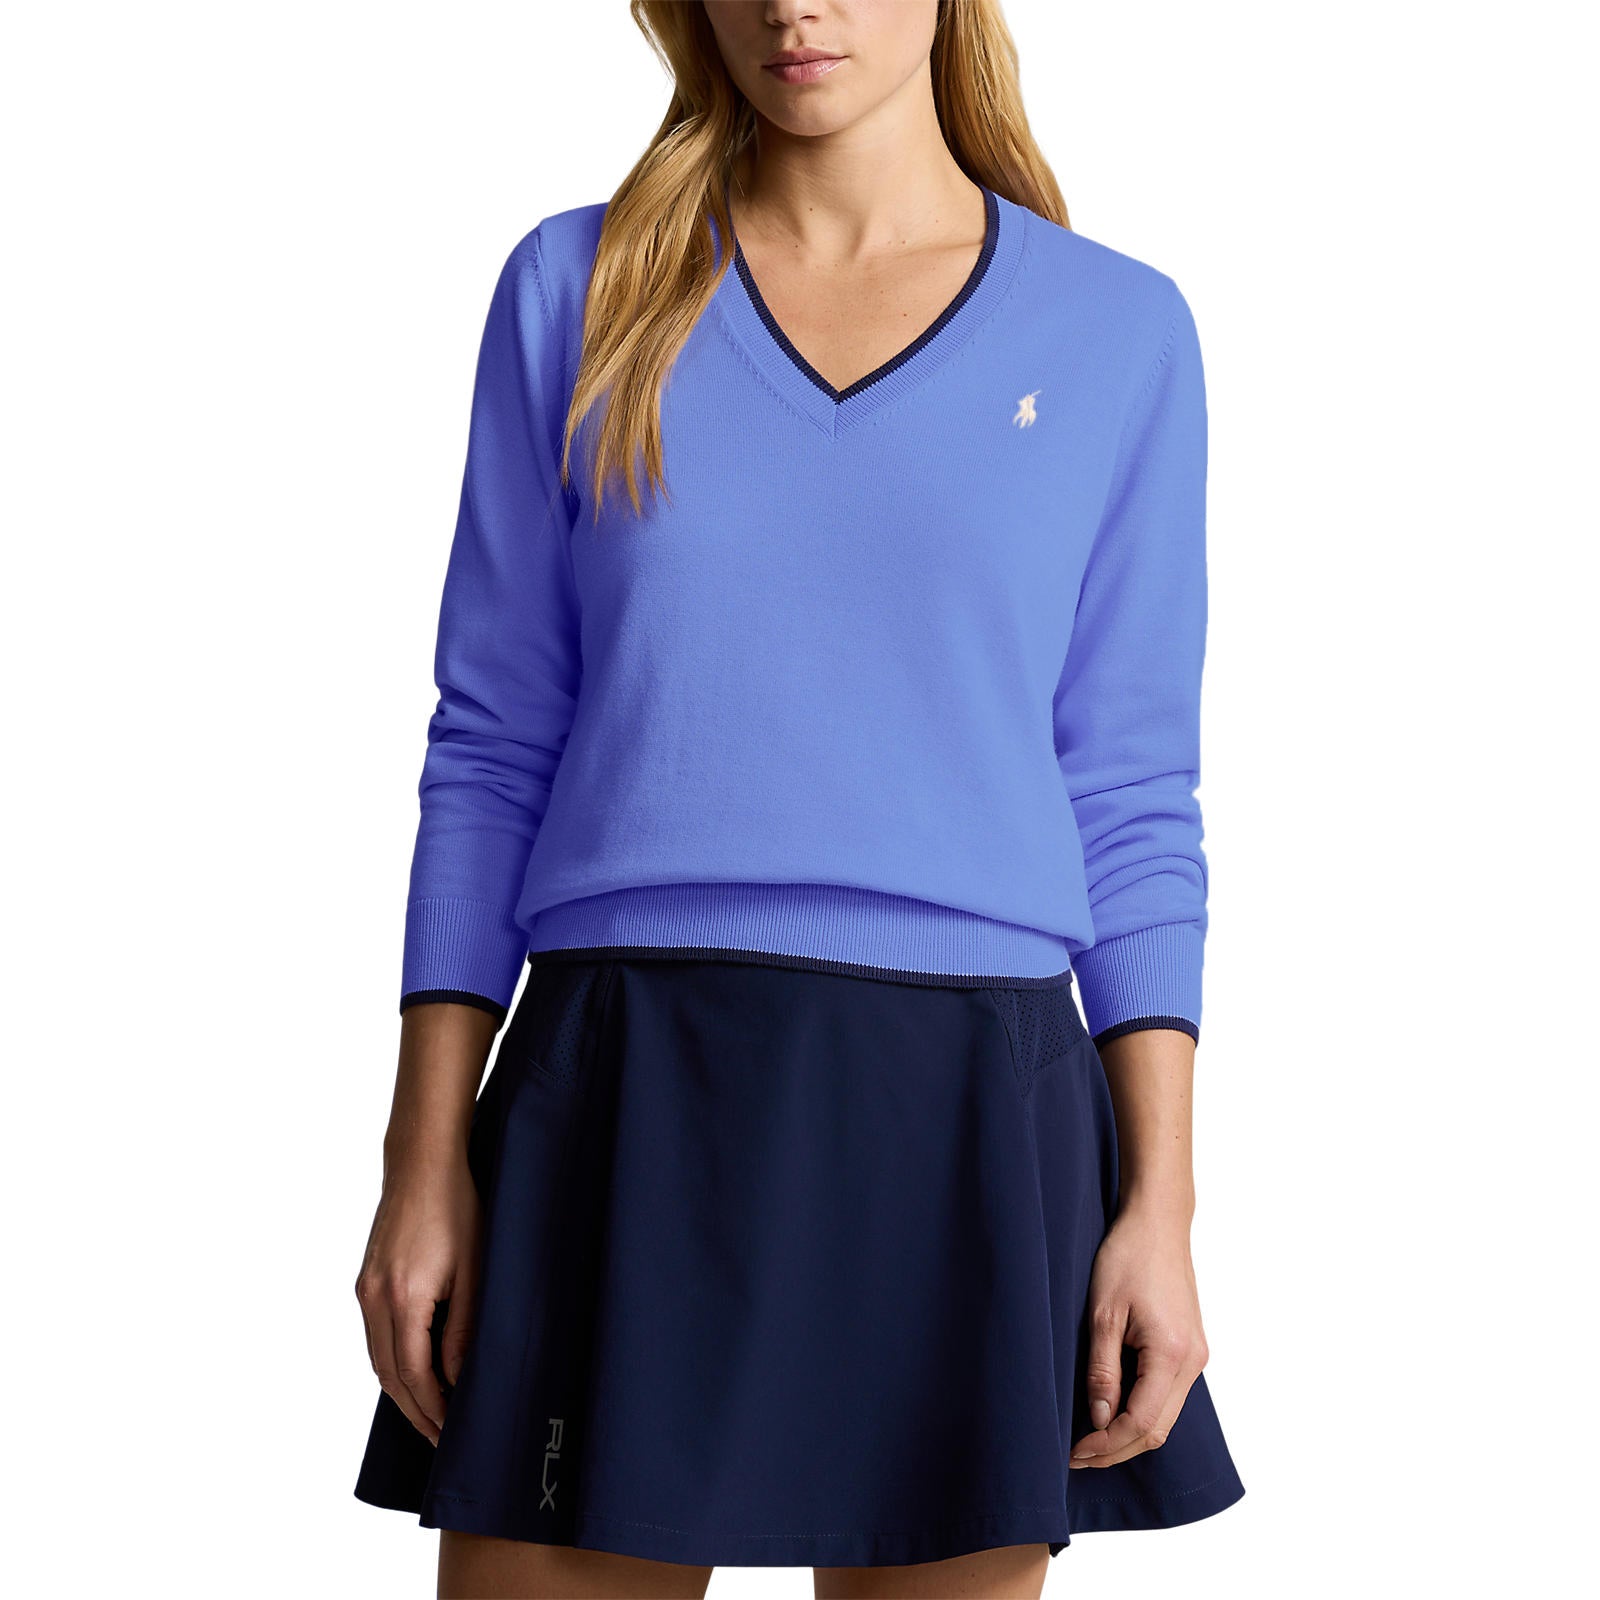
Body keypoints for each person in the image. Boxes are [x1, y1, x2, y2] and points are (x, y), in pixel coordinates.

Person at [353, 2, 1244, 1595]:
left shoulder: (1117, 332)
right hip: (623, 1087)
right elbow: (493, 741)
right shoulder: (578, 287)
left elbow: (1128, 793)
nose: (791, 4)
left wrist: (1162, 1204)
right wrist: (423, 1161)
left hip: (967, 1113)